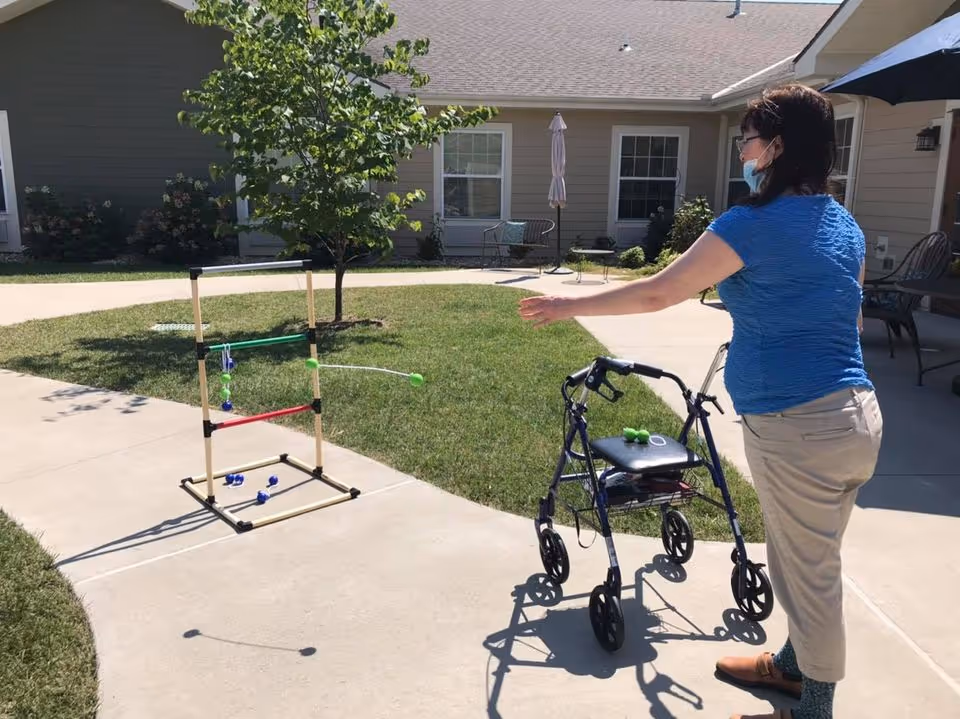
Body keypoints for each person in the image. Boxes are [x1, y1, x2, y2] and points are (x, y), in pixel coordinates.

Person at [518, 83, 883, 719]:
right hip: (854, 418)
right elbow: (844, 322)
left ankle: (811, 708)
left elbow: (662, 293)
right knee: (803, 558)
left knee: (811, 574)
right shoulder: (845, 224)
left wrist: (567, 304)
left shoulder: (751, 224)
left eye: (748, 137)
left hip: (799, 428)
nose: (743, 148)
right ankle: (794, 666)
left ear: (775, 148)